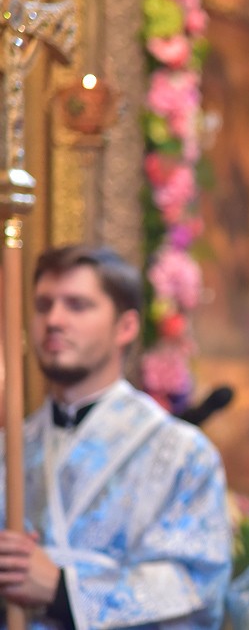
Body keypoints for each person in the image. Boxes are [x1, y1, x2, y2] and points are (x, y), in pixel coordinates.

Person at [0, 244, 232, 628]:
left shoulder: (179, 452)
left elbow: (198, 587)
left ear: (125, 326)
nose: (54, 319)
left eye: (77, 305)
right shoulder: (10, 449)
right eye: (43, 305)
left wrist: (62, 590)